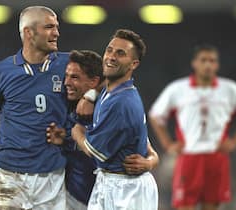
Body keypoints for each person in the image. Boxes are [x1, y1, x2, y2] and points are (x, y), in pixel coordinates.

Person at [0, 6, 73, 210]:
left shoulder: (70, 65)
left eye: (56, 27)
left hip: (51, 175)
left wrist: (70, 132)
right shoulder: (2, 71)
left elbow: (99, 88)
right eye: (49, 27)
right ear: (29, 32)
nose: (56, 32)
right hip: (8, 175)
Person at [148, 44, 236, 210]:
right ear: (195, 63)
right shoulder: (178, 88)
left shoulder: (229, 89)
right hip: (189, 157)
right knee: (184, 206)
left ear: (217, 65)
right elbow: (156, 115)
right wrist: (168, 144)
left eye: (212, 61)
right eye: (203, 60)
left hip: (217, 157)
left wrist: (235, 142)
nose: (208, 65)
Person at [47, 50, 159, 210]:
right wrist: (65, 139)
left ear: (94, 81)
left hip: (114, 194)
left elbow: (149, 150)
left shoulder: (112, 106)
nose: (67, 82)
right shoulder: (62, 107)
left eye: (75, 77)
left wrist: (149, 163)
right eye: (67, 76)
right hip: (76, 196)